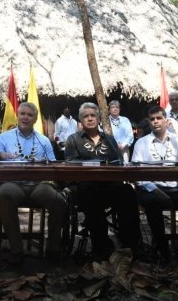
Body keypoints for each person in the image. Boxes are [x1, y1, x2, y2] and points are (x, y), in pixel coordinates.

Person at [0, 102, 65, 264]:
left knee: (58, 200)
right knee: (5, 195)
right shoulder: (4, 137)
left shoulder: (43, 140)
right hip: (11, 183)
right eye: (22, 114)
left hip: (37, 185)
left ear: (35, 119)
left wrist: (45, 162)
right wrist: (0, 155)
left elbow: (54, 164)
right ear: (17, 116)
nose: (25, 118)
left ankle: (53, 248)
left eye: (29, 115)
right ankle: (16, 250)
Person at [65, 102, 141, 260]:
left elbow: (119, 163)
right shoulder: (73, 140)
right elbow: (71, 167)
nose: (90, 118)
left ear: (99, 119)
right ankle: (102, 247)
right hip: (86, 188)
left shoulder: (109, 139)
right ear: (80, 120)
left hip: (110, 186)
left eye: (93, 115)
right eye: (86, 116)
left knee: (128, 193)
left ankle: (132, 245)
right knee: (89, 192)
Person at [131, 106, 178, 262]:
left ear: (166, 120)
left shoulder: (177, 139)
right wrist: (154, 190)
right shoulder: (141, 143)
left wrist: (177, 131)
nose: (155, 122)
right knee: (152, 203)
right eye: (152, 119)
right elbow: (136, 172)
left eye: (159, 118)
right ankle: (162, 250)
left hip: (177, 188)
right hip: (153, 190)